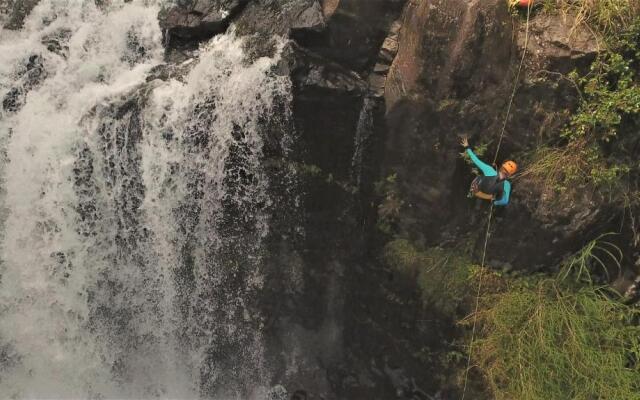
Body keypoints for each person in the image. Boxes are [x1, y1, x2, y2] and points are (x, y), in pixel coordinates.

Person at [460, 136, 517, 206]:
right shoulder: (506, 185)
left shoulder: (489, 170)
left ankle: (472, 195)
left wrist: (467, 147)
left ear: (502, 166)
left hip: (476, 188)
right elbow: (505, 201)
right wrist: (494, 202)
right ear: (510, 174)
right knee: (490, 195)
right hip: (487, 197)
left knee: (475, 186)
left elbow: (476, 160)